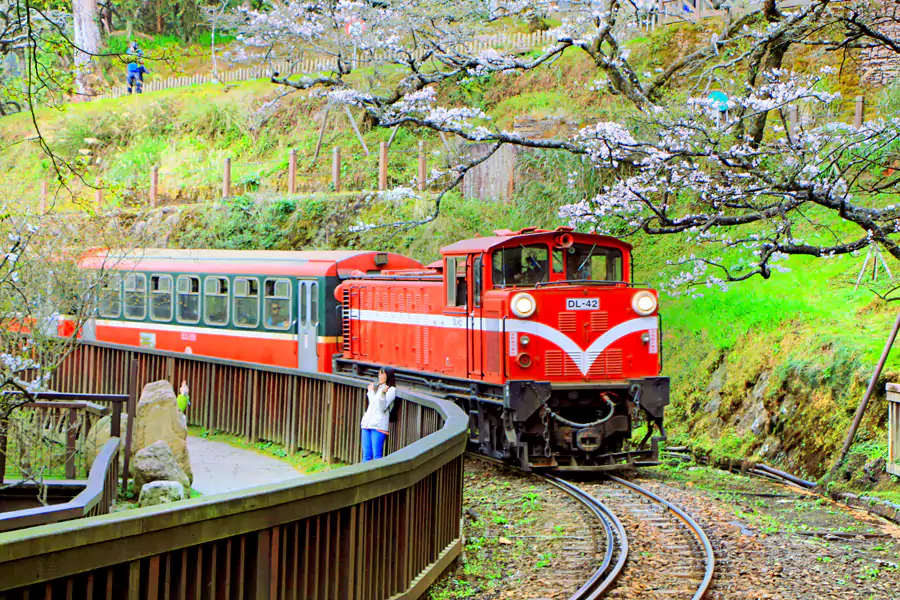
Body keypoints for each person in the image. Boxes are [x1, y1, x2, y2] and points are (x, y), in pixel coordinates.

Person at [360, 367, 396, 462]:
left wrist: (383, 394)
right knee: (366, 455)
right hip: (368, 424)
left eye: (382, 374)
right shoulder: (379, 388)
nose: (379, 376)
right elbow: (374, 404)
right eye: (379, 374)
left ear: (387, 376)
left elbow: (381, 407)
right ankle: (364, 476)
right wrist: (371, 392)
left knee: (377, 456)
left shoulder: (391, 390)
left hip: (379, 426)